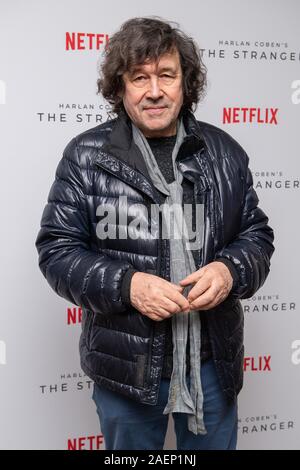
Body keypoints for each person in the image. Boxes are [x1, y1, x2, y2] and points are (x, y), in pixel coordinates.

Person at [35, 17, 274, 450]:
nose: (155, 90)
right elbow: (57, 251)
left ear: (186, 82)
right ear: (120, 86)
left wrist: (229, 269)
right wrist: (129, 285)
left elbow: (256, 237)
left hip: (211, 366)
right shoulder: (85, 157)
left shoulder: (226, 154)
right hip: (127, 367)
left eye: (167, 74)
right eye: (139, 77)